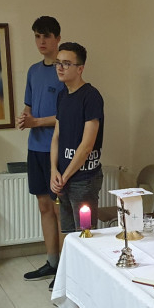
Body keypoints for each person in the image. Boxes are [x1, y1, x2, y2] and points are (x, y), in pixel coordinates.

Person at [17, 16, 66, 287]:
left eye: (46, 36)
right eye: (37, 36)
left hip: (56, 150)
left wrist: (37, 122)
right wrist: (26, 119)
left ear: (57, 38)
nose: (41, 41)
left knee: (59, 209)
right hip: (34, 147)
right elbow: (29, 107)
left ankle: (65, 269)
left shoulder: (64, 71)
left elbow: (67, 115)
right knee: (43, 206)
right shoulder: (33, 71)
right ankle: (52, 262)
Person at [50, 42, 104, 246]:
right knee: (68, 235)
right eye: (58, 63)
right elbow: (56, 136)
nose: (60, 67)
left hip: (83, 179)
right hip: (63, 177)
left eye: (66, 63)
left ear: (80, 68)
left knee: (86, 237)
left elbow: (87, 146)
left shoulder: (91, 96)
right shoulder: (62, 95)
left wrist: (64, 177)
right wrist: (53, 170)